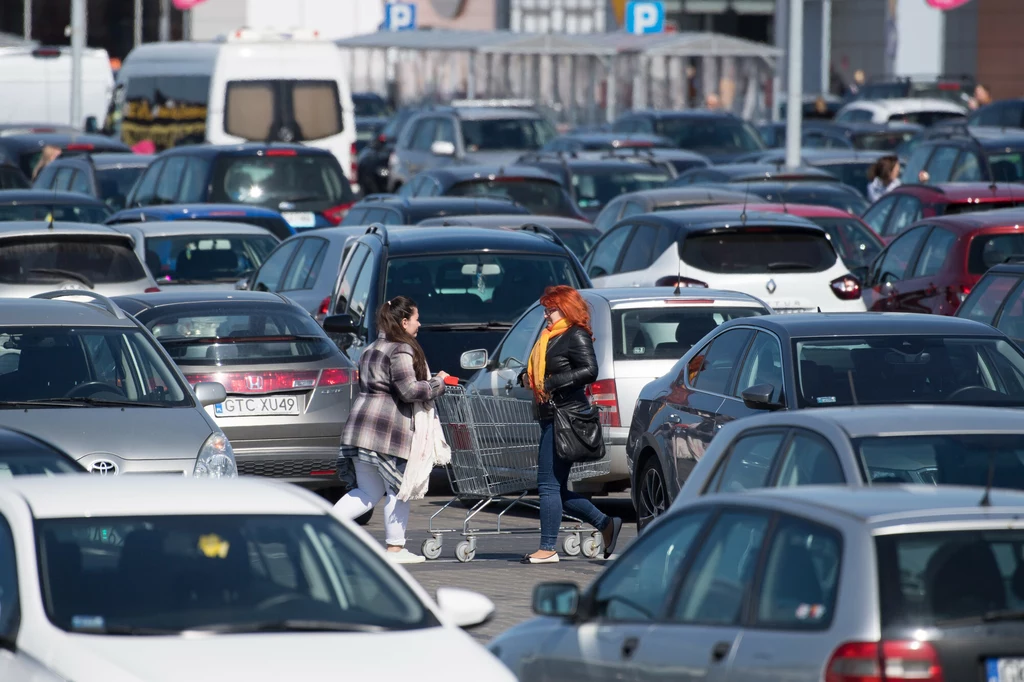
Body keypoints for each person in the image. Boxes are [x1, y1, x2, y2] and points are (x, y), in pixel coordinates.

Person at [334, 296, 449, 564]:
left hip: (361, 426)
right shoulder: (400, 350)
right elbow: (409, 390)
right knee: (399, 489)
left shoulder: (372, 347)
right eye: (417, 318)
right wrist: (437, 383)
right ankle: (395, 550)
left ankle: (323, 525)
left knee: (367, 493)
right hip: (387, 431)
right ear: (404, 321)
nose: (419, 324)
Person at [518, 285, 622, 564]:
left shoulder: (575, 334)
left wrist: (551, 383)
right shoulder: (547, 337)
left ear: (565, 309)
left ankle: (548, 548)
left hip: (566, 416)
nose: (545, 315)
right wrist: (525, 378)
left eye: (550, 309)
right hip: (550, 415)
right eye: (545, 309)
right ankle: (605, 523)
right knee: (557, 488)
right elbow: (539, 369)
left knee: (548, 485)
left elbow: (590, 370)